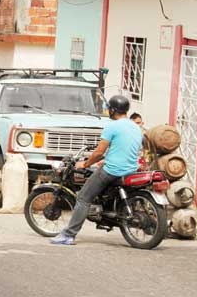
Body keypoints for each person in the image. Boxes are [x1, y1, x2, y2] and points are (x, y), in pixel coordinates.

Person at [51, 95, 142, 246]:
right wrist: (104, 160)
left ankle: (68, 235)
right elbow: (125, 149)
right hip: (131, 170)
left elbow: (99, 152)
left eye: (109, 109)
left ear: (113, 110)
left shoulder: (112, 127)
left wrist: (85, 164)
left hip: (113, 170)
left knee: (83, 198)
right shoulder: (136, 127)